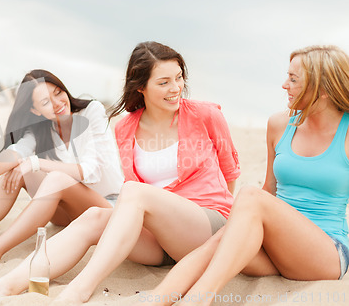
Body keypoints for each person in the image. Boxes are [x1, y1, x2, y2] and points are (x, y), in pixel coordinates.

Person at [0, 41, 240, 304]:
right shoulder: (126, 126)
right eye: (163, 82)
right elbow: (18, 150)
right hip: (159, 237)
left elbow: (230, 173)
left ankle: (78, 291)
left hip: (205, 222)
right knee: (94, 218)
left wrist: (221, 223)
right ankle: (5, 285)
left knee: (131, 193)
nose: (176, 88)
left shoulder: (205, 114)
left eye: (178, 78)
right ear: (141, 87)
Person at [135, 45, 349, 306]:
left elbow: (260, 198)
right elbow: (270, 189)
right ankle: (154, 301)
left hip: (325, 252)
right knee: (215, 244)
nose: (284, 85)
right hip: (275, 246)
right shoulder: (280, 124)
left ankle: (198, 300)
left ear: (323, 89)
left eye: (293, 79)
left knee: (249, 194)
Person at [0, 69, 124, 268]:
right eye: (45, 102)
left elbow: (91, 171)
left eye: (58, 93)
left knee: (43, 173)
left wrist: (36, 162)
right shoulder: (42, 129)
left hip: (107, 206)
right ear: (36, 111)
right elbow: (16, 153)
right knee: (16, 171)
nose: (58, 103)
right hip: (67, 213)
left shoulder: (92, 111)